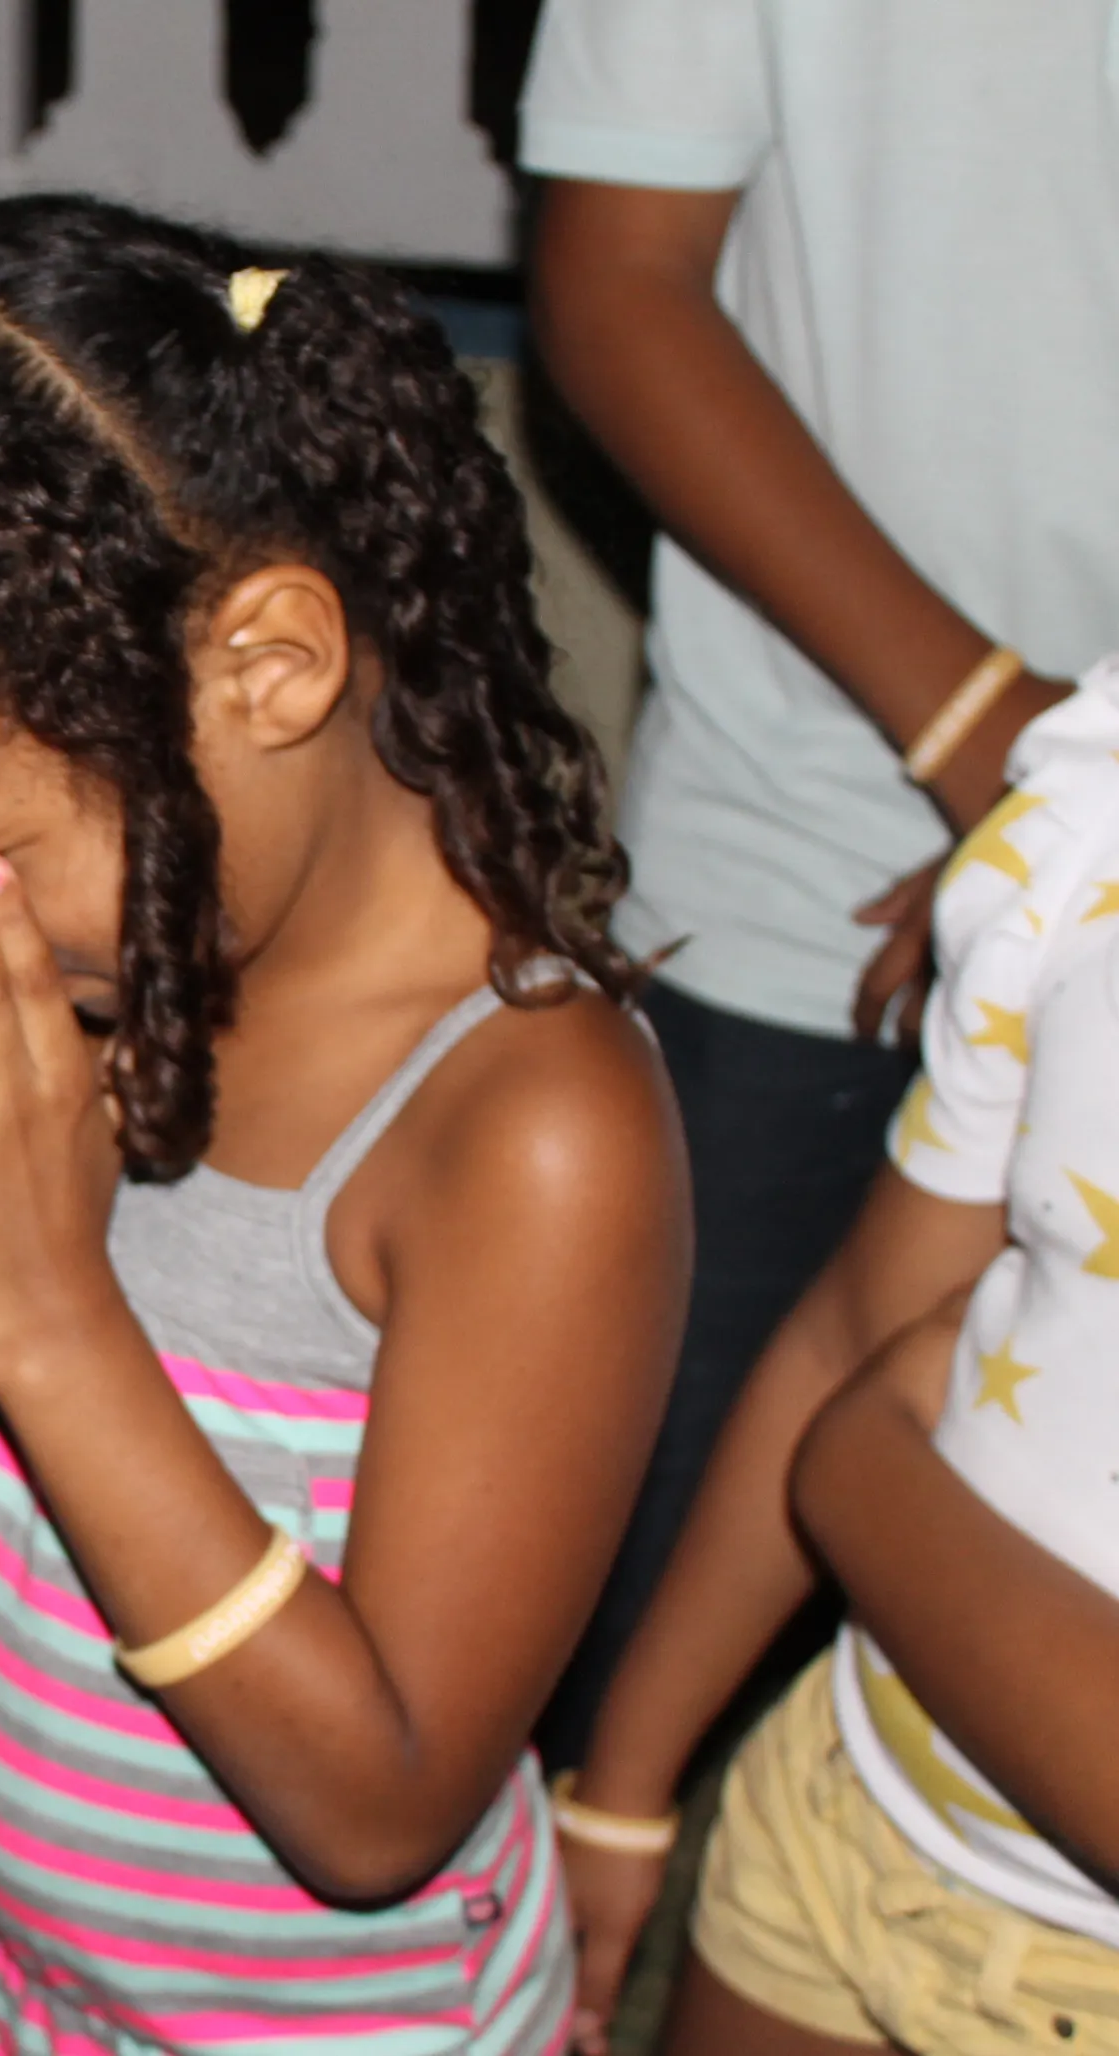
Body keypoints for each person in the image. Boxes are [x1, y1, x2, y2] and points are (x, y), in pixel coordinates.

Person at [0, 195, 691, 2055]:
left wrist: (37, 1301)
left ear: (268, 669)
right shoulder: (126, 957)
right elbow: (25, 1457)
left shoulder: (526, 1136)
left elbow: (378, 1804)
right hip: (14, 1964)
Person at [517, 0, 1119, 1764]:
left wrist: (1079, 788)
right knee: (603, 1597)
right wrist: (981, 728)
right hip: (800, 842)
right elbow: (617, 273)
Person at [558, 660, 1119, 2056]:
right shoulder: (1091, 828)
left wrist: (863, 1470)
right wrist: (625, 1783)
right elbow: (861, 1318)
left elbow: (858, 1407)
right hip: (836, 1818)